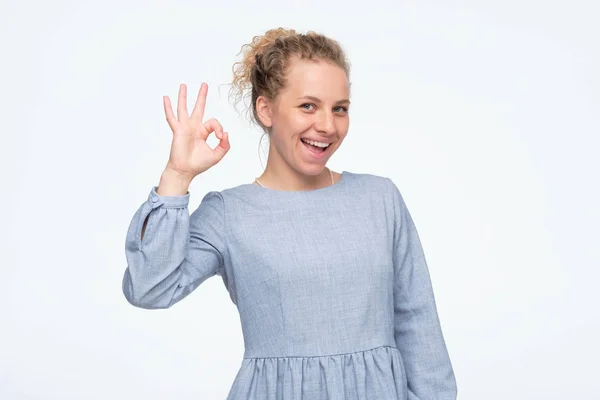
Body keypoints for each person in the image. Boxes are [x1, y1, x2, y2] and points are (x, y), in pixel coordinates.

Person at [122, 27, 458, 399]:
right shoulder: (229, 213)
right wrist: (178, 175)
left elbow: (418, 323)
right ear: (265, 109)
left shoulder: (380, 199)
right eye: (308, 106)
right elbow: (149, 288)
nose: (327, 126)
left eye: (339, 109)